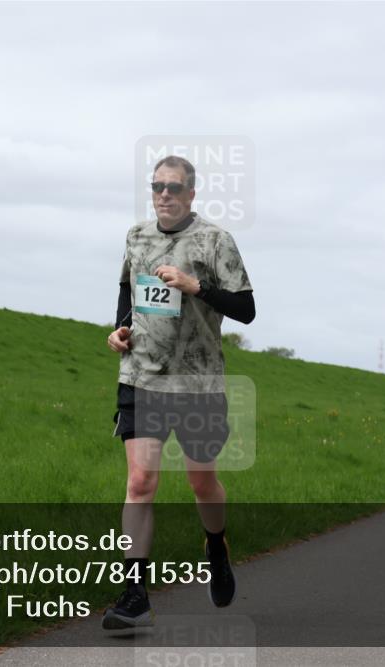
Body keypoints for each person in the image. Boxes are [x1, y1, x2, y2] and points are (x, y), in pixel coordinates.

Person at [102, 155, 255, 631]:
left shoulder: (215, 240)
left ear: (191, 194)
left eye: (173, 188)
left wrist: (196, 286)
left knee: (200, 483)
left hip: (197, 384)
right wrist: (121, 329)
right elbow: (128, 290)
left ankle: (216, 545)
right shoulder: (136, 236)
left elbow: (246, 309)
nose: (164, 195)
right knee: (140, 483)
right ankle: (134, 597)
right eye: (157, 187)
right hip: (142, 377)